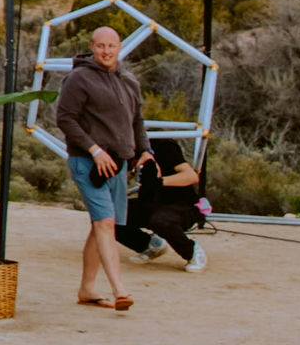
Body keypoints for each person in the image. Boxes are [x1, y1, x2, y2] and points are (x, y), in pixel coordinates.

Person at [57, 25, 149, 311]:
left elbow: (137, 120)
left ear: (120, 47)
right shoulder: (78, 78)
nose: (106, 51)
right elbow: (65, 118)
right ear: (92, 47)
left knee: (102, 225)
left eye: (111, 46)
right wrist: (94, 150)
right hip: (88, 163)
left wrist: (144, 150)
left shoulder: (128, 80)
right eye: (101, 46)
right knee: (105, 223)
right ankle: (120, 290)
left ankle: (87, 289)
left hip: (118, 164)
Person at [118, 141, 209, 272]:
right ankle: (151, 245)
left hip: (182, 204)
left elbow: (191, 176)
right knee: (111, 215)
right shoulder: (123, 149)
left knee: (160, 220)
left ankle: (192, 252)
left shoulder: (163, 146)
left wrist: (158, 182)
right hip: (151, 203)